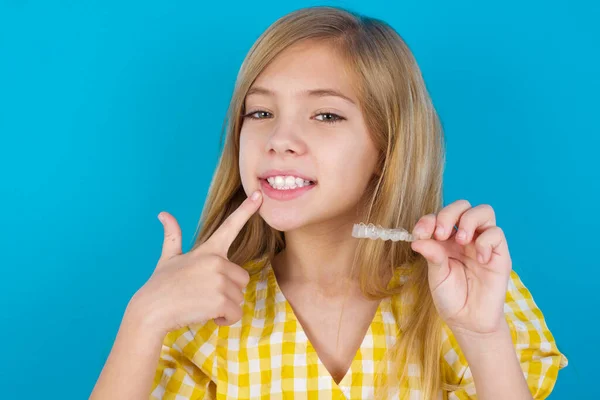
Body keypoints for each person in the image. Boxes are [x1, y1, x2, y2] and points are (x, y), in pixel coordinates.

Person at [90, 5, 568, 400]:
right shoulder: (205, 308)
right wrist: (145, 317)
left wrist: (483, 337)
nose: (280, 139)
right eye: (260, 112)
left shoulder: (470, 294)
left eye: (325, 114)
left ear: (386, 147)